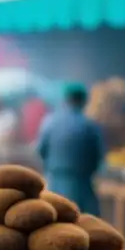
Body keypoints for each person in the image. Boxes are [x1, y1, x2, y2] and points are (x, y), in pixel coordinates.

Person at [37, 83, 106, 216]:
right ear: (84, 101)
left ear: (65, 99)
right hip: (82, 184)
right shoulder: (89, 125)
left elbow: (41, 149)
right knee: (85, 223)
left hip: (56, 181)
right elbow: (99, 155)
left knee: (56, 219)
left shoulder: (50, 122)